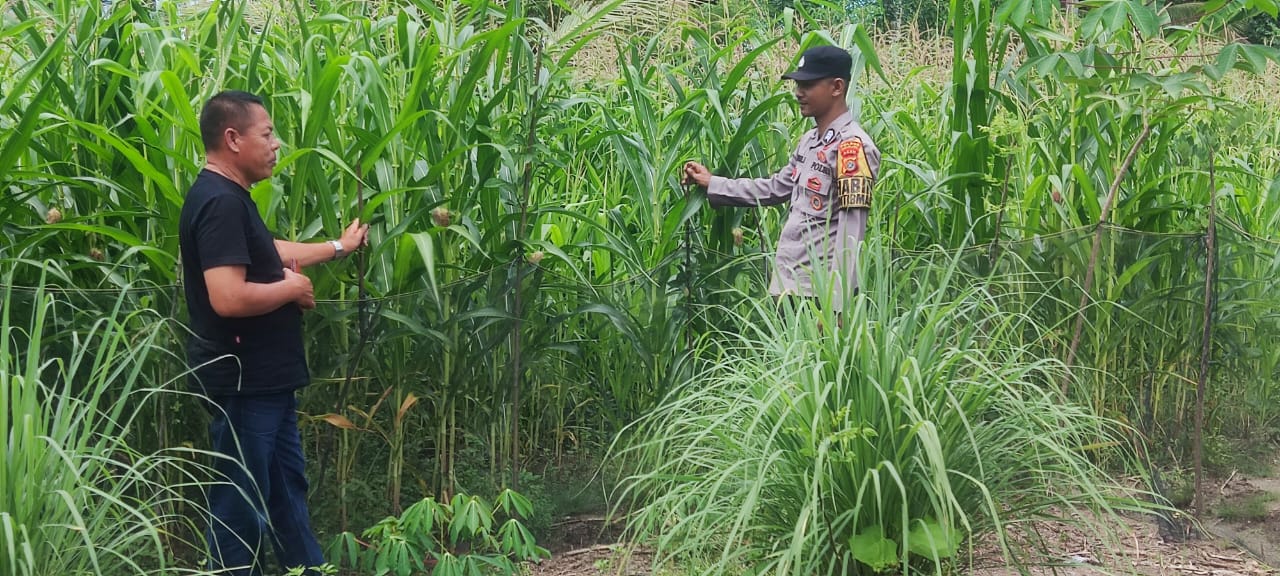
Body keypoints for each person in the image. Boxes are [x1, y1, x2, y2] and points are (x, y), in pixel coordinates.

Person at [179, 90, 369, 576]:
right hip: (244, 381)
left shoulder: (230, 199)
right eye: (266, 134)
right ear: (232, 138)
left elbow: (268, 249)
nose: (276, 144)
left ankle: (308, 570)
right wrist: (290, 290)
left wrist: (337, 247)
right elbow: (227, 295)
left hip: (266, 382)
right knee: (240, 500)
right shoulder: (219, 203)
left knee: (287, 489)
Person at [683, 45, 879, 309]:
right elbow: (775, 188)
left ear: (836, 87)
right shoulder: (810, 141)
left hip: (819, 296)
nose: (799, 93)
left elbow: (850, 233)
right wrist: (713, 183)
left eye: (808, 84)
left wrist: (838, 306)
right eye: (798, 84)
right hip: (789, 285)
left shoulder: (852, 147)